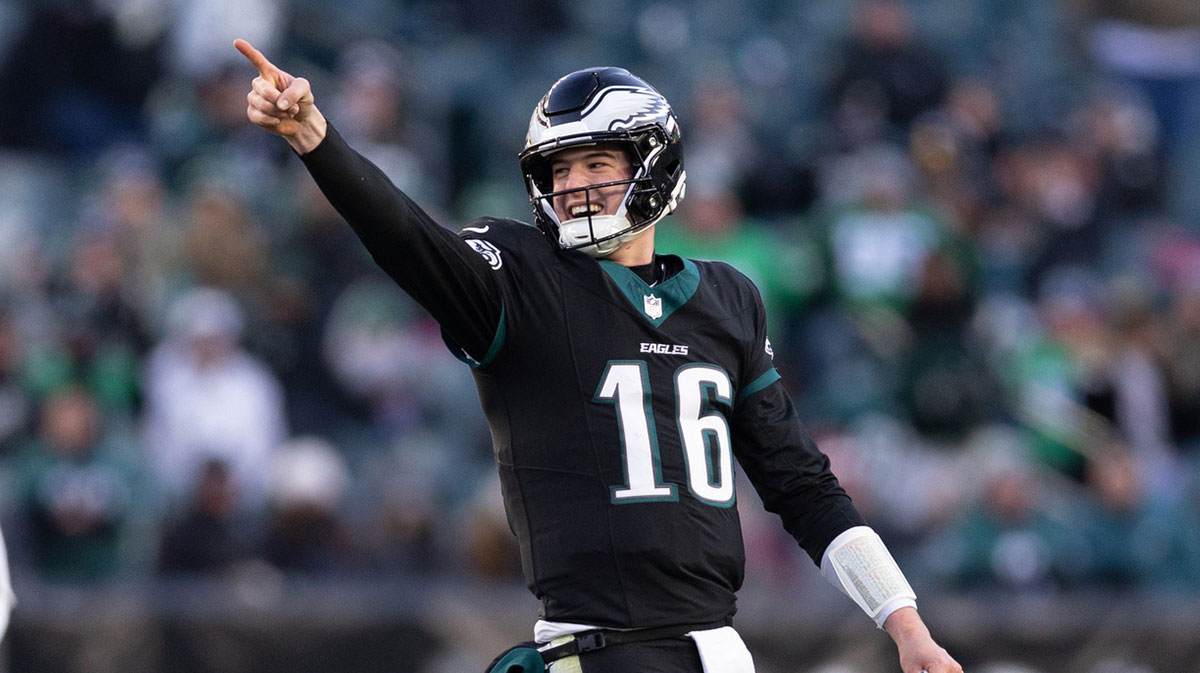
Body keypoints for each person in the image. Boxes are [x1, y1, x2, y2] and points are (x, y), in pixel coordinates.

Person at [235, 39, 962, 673]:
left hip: (720, 645)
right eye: (558, 170)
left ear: (654, 163)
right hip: (601, 646)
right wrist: (317, 139)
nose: (573, 185)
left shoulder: (728, 298)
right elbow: (408, 240)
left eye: (594, 161)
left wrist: (904, 622)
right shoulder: (524, 279)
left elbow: (802, 484)